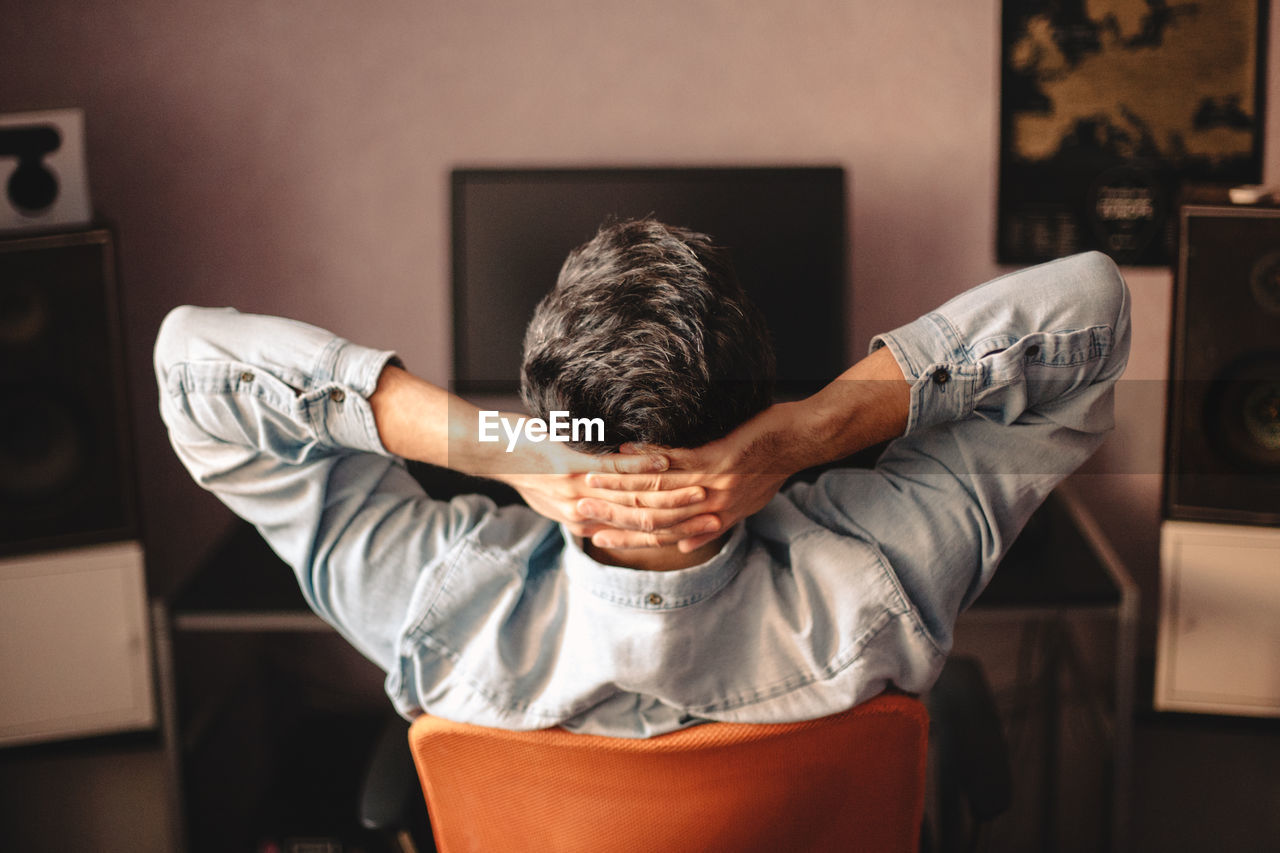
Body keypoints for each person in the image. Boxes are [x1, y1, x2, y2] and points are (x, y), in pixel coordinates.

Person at [155, 219, 1130, 737]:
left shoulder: (430, 605)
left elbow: (193, 370)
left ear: (551, 423)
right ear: (750, 410)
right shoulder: (885, 576)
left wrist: (506, 446)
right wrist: (798, 432)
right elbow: (1088, 309)